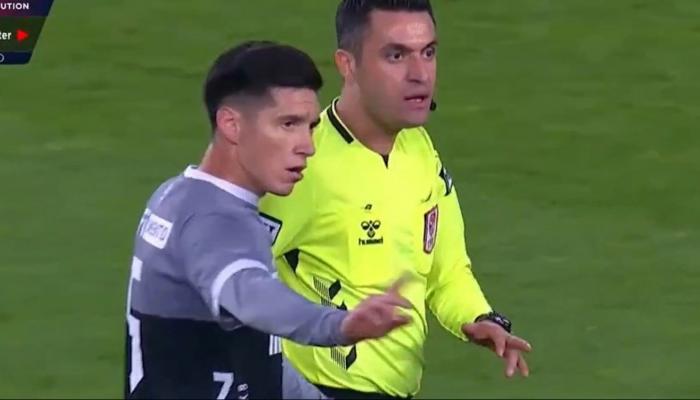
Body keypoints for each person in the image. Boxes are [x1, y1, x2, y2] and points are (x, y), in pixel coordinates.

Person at [258, 1, 532, 399]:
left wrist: (479, 317)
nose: (420, 74)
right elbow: (227, 280)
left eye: (429, 53)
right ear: (348, 65)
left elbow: (446, 270)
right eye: (396, 55)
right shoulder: (303, 165)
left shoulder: (419, 150)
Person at [124, 40, 411, 400]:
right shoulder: (215, 220)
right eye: (288, 124)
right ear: (231, 125)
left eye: (310, 126)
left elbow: (258, 352)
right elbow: (248, 295)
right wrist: (337, 324)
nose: (307, 146)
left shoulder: (178, 195)